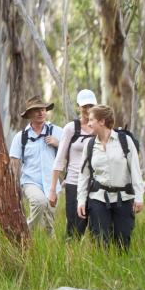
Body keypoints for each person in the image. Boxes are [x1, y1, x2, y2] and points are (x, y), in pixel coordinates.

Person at [77, 104, 144, 250]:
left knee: (123, 242)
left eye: (91, 120)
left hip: (124, 199)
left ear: (102, 121)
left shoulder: (125, 141)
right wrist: (81, 200)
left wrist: (139, 197)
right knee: (100, 241)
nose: (88, 123)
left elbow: (135, 171)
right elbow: (83, 175)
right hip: (98, 198)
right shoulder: (89, 145)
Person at [9, 96, 63, 234]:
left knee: (49, 223)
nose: (41, 113)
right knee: (39, 202)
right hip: (30, 181)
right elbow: (15, 163)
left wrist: (58, 144)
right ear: (29, 115)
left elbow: (70, 152)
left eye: (43, 109)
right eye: (36, 110)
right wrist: (14, 187)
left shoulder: (57, 131)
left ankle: (49, 249)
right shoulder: (21, 137)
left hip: (52, 183)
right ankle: (25, 234)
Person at [48, 89, 97, 238]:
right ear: (78, 107)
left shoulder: (99, 127)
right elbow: (60, 159)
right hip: (74, 183)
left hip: (96, 185)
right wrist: (52, 189)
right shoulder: (71, 128)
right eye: (84, 106)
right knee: (75, 229)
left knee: (97, 229)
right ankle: (70, 258)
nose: (87, 109)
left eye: (90, 105)